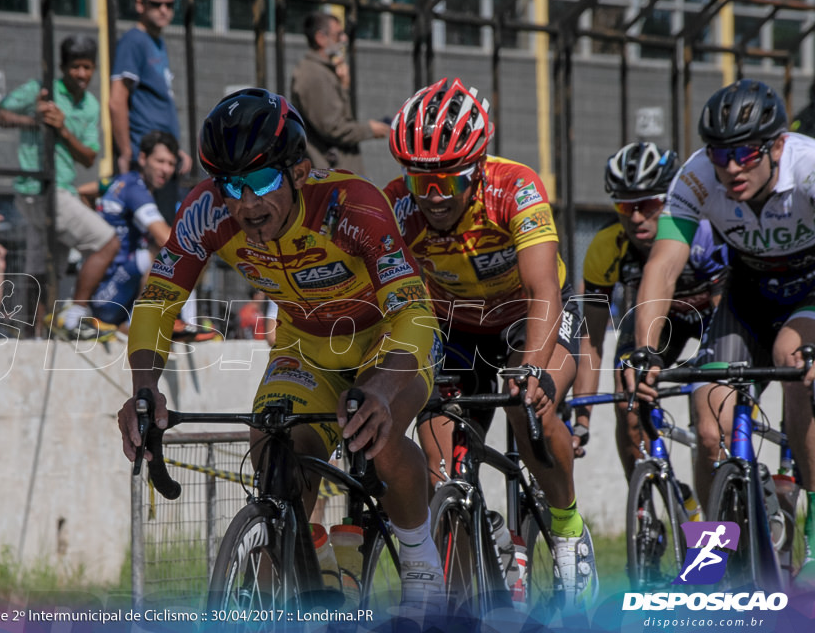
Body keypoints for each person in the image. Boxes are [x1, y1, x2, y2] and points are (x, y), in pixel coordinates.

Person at [118, 88, 448, 614]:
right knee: (277, 453)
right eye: (230, 185)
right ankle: (308, 580)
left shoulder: (351, 204)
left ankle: (419, 558)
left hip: (387, 337)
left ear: (296, 171)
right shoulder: (207, 212)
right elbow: (158, 300)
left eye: (262, 181)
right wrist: (143, 390)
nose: (246, 204)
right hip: (306, 347)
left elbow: (414, 311)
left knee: (377, 434)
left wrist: (383, 389)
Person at [383, 77, 598, 608]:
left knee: (531, 409)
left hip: (528, 317)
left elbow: (542, 288)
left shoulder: (514, 187)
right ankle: (472, 552)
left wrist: (528, 369)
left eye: (448, 184)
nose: (433, 199)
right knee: (438, 471)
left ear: (476, 170)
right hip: (455, 328)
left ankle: (568, 531)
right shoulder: (398, 207)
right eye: (420, 182)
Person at [627, 79, 815, 577]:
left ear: (776, 145)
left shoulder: (808, 168)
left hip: (810, 291)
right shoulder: (695, 177)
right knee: (709, 423)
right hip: (748, 294)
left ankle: (813, 538)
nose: (732, 167)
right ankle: (709, 557)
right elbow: (663, 269)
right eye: (720, 154)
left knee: (790, 356)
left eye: (746, 152)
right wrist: (644, 352)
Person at [573, 143, 727, 482]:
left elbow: (726, 311)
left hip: (711, 315)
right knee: (626, 396)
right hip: (659, 321)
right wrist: (581, 420)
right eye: (624, 206)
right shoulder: (605, 247)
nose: (636, 217)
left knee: (713, 414)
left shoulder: (705, 232)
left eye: (647, 204)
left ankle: (720, 501)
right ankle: (646, 515)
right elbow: (591, 341)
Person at [0, 35, 120, 340]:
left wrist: (61, 128)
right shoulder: (40, 90)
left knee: (45, 269)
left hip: (61, 190)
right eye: (75, 67)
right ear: (62, 67)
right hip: (39, 189)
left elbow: (88, 156)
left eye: (87, 68)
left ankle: (32, 335)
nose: (82, 74)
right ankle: (75, 315)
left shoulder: (90, 106)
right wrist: (32, 117)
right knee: (107, 243)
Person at [90, 130, 179, 329]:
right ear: (142, 158)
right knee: (169, 252)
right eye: (160, 161)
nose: (165, 169)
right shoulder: (136, 190)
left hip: (108, 290)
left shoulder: (122, 181)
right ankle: (137, 327)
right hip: (106, 298)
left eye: (171, 164)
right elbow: (168, 241)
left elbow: (84, 192)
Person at [109, 0, 192, 176]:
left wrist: (174, 150)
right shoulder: (134, 41)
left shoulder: (157, 41)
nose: (164, 10)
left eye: (169, 5)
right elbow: (116, 100)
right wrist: (127, 153)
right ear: (140, 4)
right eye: (156, 4)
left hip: (163, 155)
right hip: (144, 159)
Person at [290, 12, 390, 175]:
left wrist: (343, 87)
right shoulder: (313, 74)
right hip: (330, 178)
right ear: (320, 38)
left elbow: (340, 117)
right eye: (338, 35)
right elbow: (334, 129)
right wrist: (369, 130)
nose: (344, 39)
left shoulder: (323, 71)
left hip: (338, 174)